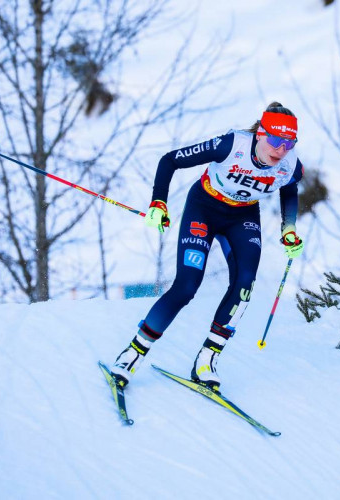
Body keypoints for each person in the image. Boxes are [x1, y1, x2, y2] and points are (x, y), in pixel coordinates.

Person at [109, 102, 304, 391]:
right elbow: (169, 160)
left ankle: (207, 361)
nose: (281, 149)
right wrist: (158, 202)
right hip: (204, 207)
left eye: (289, 143)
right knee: (187, 285)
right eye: (275, 140)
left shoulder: (290, 164)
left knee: (244, 286)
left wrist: (288, 229)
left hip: (243, 216)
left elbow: (289, 189)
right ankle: (133, 354)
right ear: (260, 134)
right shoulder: (231, 145)